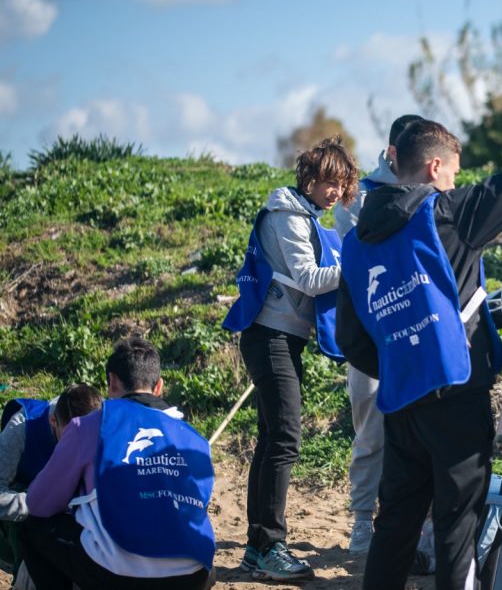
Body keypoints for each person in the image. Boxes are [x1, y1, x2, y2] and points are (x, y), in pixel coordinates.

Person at [336, 119, 502, 589]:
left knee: (395, 522)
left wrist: (402, 358)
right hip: (457, 394)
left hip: (400, 400)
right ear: (435, 167)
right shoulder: (446, 214)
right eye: (454, 174)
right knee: (458, 525)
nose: (455, 183)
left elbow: (351, 340)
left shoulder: (356, 242)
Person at [222, 136, 359, 580]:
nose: (335, 191)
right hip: (268, 336)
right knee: (284, 439)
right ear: (310, 177)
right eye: (329, 181)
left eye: (342, 183)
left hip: (285, 338)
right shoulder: (286, 214)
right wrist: (361, 264)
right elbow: (307, 277)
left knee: (271, 441)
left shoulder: (309, 218)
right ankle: (270, 546)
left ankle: (257, 549)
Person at [19, 338, 215, 589]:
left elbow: (39, 503)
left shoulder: (90, 425)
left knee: (34, 526)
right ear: (159, 387)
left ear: (111, 382)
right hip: (194, 574)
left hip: (118, 574)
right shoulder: (195, 438)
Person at [333, 113, 422, 554]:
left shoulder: (430, 195)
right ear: (392, 152)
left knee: (421, 434)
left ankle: (417, 529)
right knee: (370, 431)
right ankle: (362, 522)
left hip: (415, 335)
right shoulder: (357, 199)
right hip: (370, 338)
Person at [0, 385, 102, 586]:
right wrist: (38, 502)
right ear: (53, 420)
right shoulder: (22, 428)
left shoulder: (104, 424)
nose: (76, 446)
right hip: (23, 522)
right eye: (70, 438)